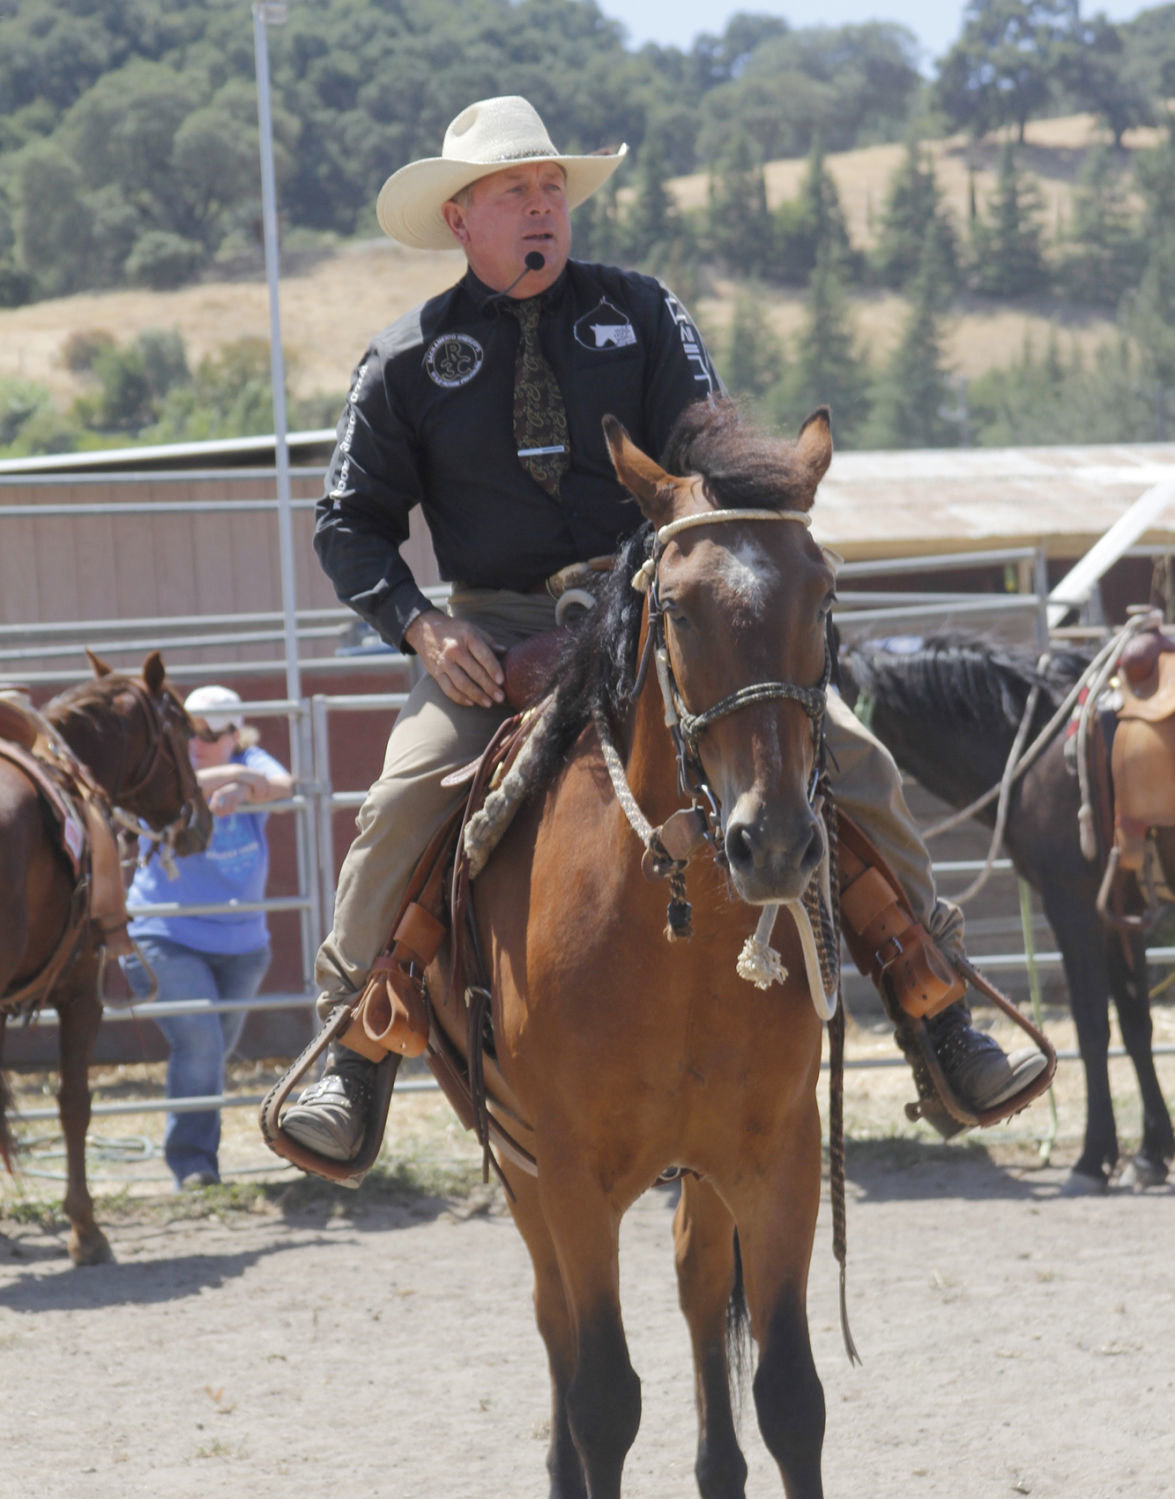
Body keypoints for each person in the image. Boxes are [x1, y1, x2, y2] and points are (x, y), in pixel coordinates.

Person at [278, 94, 1046, 1167]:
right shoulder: (404, 359)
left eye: (552, 189)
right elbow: (348, 525)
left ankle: (934, 1002)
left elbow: (707, 448)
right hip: (486, 634)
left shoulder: (641, 311)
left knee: (851, 755)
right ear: (461, 217)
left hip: (650, 603)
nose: (542, 208)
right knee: (406, 793)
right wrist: (417, 629)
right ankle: (351, 1053)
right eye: (515, 192)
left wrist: (681, 572)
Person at [125, 685, 293, 1190]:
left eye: (210, 733)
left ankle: (197, 1159)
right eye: (189, 730)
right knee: (201, 1043)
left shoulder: (253, 758)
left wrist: (245, 787)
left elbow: (283, 784)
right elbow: (180, 786)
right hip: (164, 933)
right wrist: (239, 778)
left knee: (210, 1053)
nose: (196, 741)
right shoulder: (168, 762)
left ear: (234, 734)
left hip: (242, 947)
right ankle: (193, 1165)